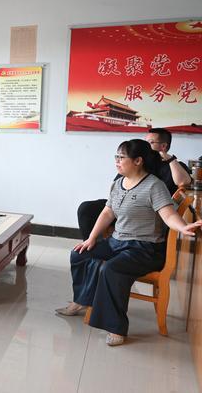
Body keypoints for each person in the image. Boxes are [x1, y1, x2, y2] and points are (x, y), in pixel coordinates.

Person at [57, 139, 202, 346]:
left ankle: (116, 328)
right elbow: (107, 212)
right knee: (80, 254)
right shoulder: (118, 183)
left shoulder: (154, 186)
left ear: (138, 161)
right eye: (116, 157)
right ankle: (81, 300)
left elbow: (169, 215)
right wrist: (91, 238)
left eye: (121, 157)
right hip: (117, 242)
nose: (117, 161)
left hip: (144, 249)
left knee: (111, 269)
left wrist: (183, 227)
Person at [77, 128, 192, 240]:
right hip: (124, 206)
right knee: (87, 208)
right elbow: (117, 189)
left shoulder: (173, 167)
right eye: (145, 141)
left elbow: (183, 182)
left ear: (163, 146)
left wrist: (170, 159)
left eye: (151, 142)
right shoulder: (134, 164)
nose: (146, 144)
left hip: (147, 212)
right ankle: (90, 244)